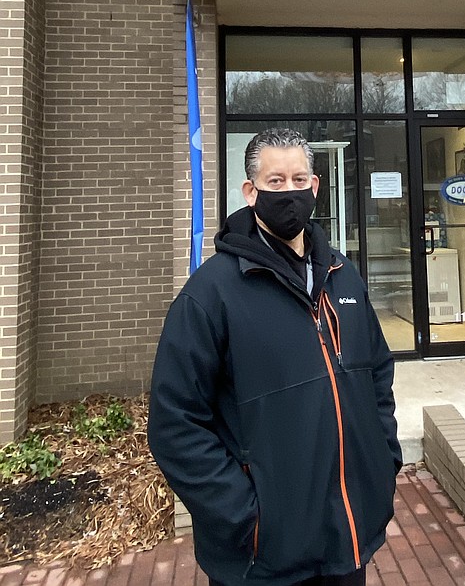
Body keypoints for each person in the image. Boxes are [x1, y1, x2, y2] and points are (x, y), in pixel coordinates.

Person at [148, 127, 401, 586]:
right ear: (251, 192)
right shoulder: (211, 294)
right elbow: (175, 423)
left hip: (348, 538)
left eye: (299, 181)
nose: (290, 193)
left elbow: (378, 374)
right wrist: (245, 516)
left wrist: (383, 461)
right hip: (264, 559)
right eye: (276, 182)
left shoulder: (342, 276)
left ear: (316, 187)